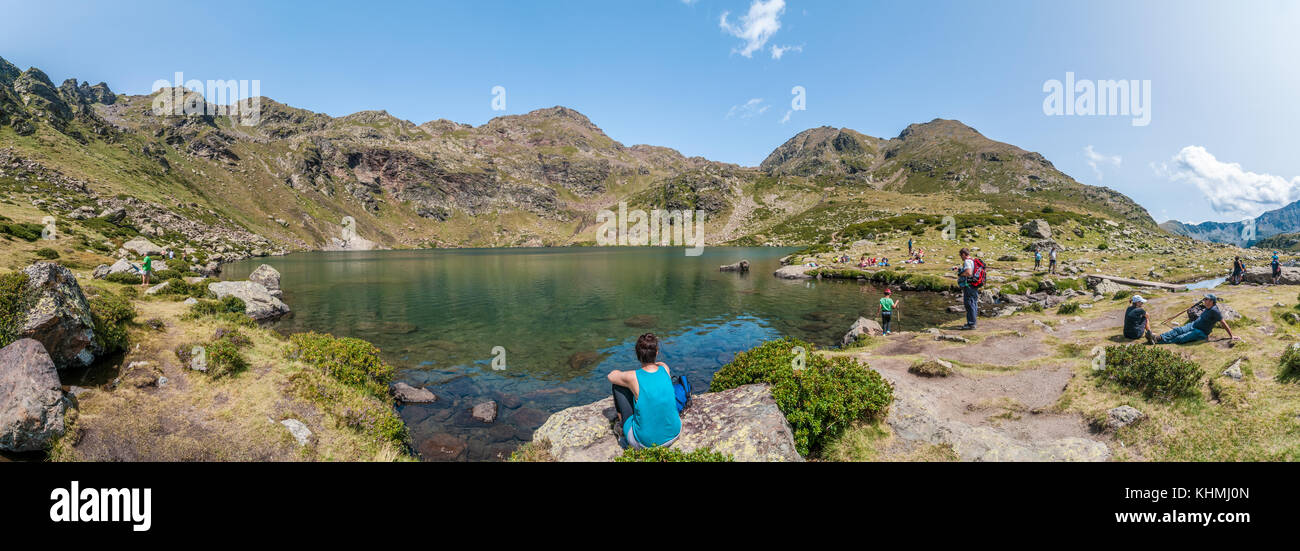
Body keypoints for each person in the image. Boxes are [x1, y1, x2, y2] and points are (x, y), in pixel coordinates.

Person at [607, 333, 681, 449]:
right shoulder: (665, 369)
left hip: (646, 443)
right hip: (674, 433)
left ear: (637, 354)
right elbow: (660, 364)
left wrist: (621, 374)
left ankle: (622, 429)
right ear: (656, 352)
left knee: (618, 386)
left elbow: (611, 376)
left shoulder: (633, 377)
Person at [1149, 294, 1237, 345]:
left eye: (1206, 299)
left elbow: (1223, 323)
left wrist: (1231, 336)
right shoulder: (1207, 307)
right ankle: (1158, 337)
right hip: (1193, 325)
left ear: (1211, 301)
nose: (1204, 300)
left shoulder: (1215, 311)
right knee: (1177, 330)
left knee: (1181, 338)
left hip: (1200, 332)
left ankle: (1158, 342)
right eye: (1204, 299)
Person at [957, 248, 978, 330]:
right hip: (974, 285)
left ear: (963, 254)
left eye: (960, 255)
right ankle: (973, 322)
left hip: (969, 285)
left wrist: (961, 274)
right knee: (973, 303)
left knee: (969, 304)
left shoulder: (967, 261)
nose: (960, 257)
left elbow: (969, 273)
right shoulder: (972, 260)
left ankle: (971, 324)